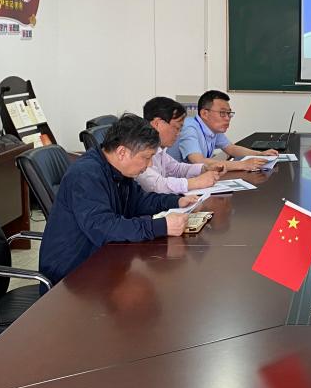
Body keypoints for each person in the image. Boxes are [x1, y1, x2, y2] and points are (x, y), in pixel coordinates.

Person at [39, 115, 195, 285]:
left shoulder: (119, 170)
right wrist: (161, 226)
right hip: (71, 277)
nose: (149, 165)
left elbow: (139, 201)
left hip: (103, 260)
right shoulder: (85, 175)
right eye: (146, 157)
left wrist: (176, 201)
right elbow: (104, 228)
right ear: (122, 152)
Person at [138, 96, 226, 194]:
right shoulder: (139, 149)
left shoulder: (159, 150)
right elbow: (157, 185)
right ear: (157, 124)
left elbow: (177, 169)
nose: (178, 134)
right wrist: (196, 182)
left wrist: (204, 168)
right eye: (176, 128)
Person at [169, 90, 274, 170]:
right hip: (177, 183)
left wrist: (259, 154)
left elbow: (231, 148)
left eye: (229, 113)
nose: (227, 118)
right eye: (222, 113)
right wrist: (243, 164)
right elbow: (198, 161)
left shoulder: (212, 128)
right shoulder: (189, 128)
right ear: (204, 113)